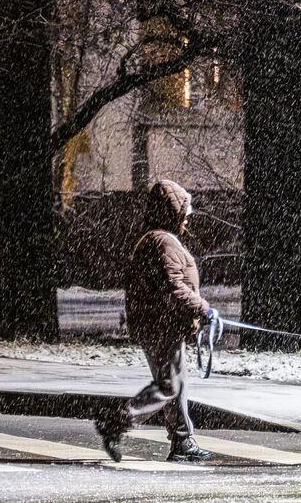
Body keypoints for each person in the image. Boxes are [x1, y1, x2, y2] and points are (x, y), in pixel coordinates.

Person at [95, 179, 215, 462]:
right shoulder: (163, 241)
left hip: (158, 324)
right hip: (162, 325)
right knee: (169, 386)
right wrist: (203, 308)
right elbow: (173, 287)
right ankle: (118, 421)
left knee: (176, 383)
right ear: (172, 210)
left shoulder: (155, 238)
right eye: (185, 210)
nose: (188, 217)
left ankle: (183, 441)